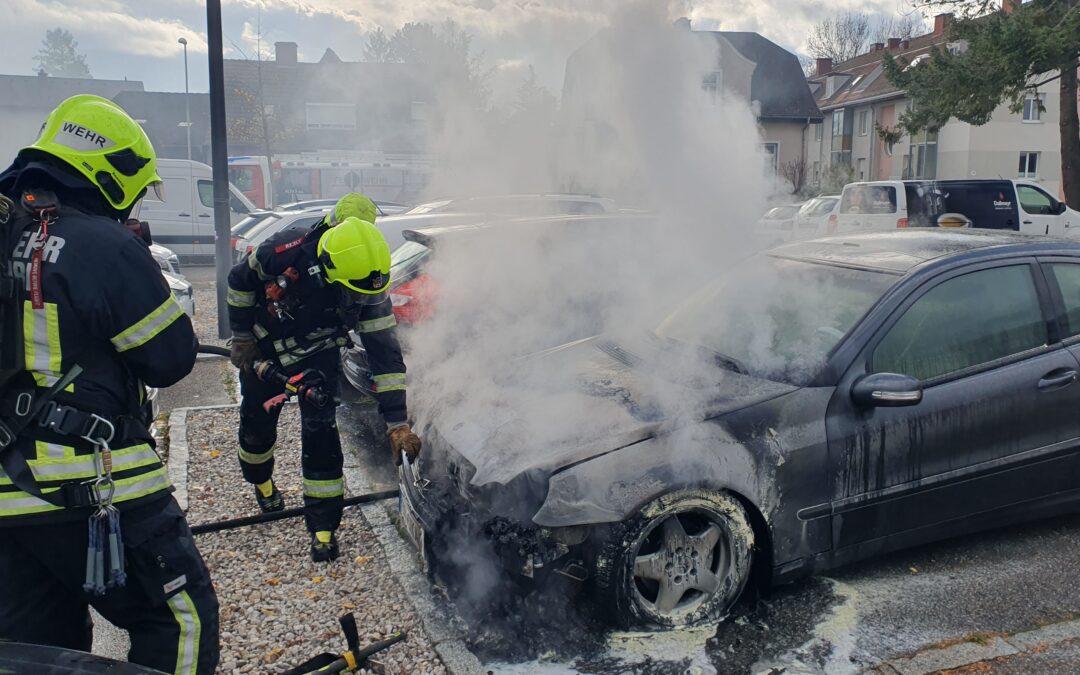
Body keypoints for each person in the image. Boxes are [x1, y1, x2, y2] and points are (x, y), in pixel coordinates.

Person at [0, 95, 219, 673]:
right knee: (181, 621)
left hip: (7, 495)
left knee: (41, 651)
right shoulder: (102, 245)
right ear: (111, 173)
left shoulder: (6, 231)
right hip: (90, 486)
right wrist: (134, 255)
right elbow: (170, 358)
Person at [227, 212, 421, 562]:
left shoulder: (369, 287)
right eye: (350, 291)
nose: (357, 299)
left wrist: (396, 422)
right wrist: (242, 337)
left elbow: (386, 358)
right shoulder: (283, 253)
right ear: (326, 271)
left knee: (321, 435)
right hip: (263, 350)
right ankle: (263, 483)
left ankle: (323, 529)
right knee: (256, 428)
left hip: (318, 356)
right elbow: (238, 280)